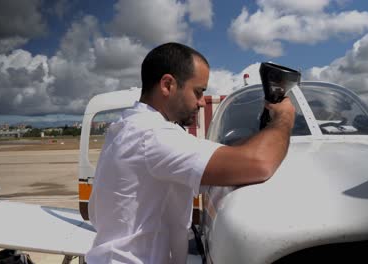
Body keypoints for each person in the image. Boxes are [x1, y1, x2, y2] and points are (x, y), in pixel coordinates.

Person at [86, 42, 295, 263]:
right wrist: (284, 118)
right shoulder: (154, 136)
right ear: (167, 85)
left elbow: (224, 154)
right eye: (198, 91)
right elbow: (259, 164)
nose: (201, 103)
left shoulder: (130, 125)